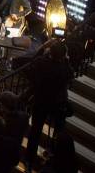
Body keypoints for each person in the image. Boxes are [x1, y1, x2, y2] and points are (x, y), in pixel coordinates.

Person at [24, 40, 71, 169]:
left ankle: (29, 159)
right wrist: (66, 60)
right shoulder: (64, 68)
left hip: (41, 101)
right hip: (57, 103)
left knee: (35, 131)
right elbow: (69, 75)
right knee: (59, 130)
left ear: (50, 52)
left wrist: (42, 48)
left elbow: (30, 65)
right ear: (63, 55)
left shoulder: (42, 63)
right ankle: (53, 154)